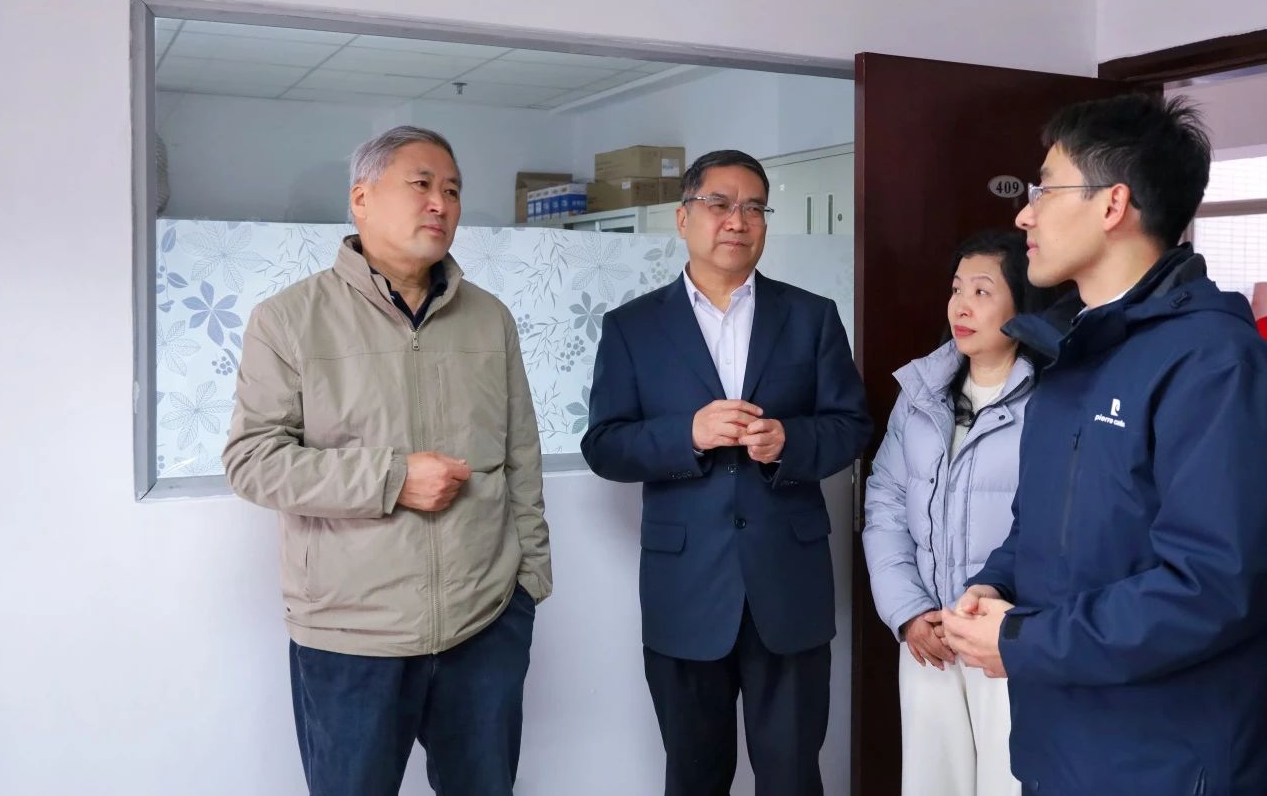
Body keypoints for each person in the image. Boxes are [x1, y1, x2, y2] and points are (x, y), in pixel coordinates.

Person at [943, 94, 1267, 795]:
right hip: (1058, 743)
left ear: (1113, 204)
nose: (1024, 215)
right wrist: (996, 584)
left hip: (1162, 759)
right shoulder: (1072, 350)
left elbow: (1212, 586)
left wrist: (1023, 639)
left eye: (1045, 189)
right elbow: (1042, 527)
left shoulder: (1213, 360)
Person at [222, 126, 552, 796]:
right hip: (351, 634)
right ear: (362, 199)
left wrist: (528, 585)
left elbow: (521, 456)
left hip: (483, 624)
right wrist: (392, 479)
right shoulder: (289, 320)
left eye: (452, 190)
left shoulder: (490, 318)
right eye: (422, 184)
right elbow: (252, 459)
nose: (441, 203)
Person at [580, 149, 871, 796]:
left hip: (788, 588)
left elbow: (851, 427)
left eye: (754, 207)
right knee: (694, 776)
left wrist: (789, 440)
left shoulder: (812, 316)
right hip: (686, 590)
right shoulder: (633, 327)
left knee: (792, 776)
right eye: (719, 204)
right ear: (683, 218)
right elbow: (604, 444)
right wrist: (687, 433)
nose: (737, 220)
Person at [864, 230, 1050, 796]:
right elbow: (885, 502)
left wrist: (999, 618)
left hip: (1006, 636)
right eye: (955, 289)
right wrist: (908, 611)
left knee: (1008, 783)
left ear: (1022, 306)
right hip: (930, 636)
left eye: (982, 291)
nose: (961, 306)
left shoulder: (1053, 398)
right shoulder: (921, 392)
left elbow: (1051, 524)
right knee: (931, 783)